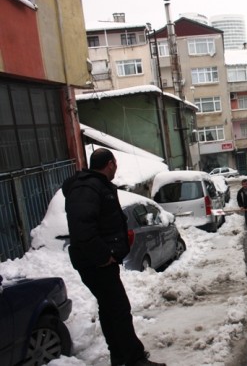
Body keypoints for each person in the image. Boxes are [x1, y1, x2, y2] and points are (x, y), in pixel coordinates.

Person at [62, 148, 165, 366]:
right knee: (118, 309)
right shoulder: (87, 187)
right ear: (109, 164)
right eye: (115, 164)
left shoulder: (93, 186)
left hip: (96, 261)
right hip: (96, 263)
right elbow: (83, 229)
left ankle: (119, 356)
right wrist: (103, 256)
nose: (116, 168)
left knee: (109, 309)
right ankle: (134, 359)